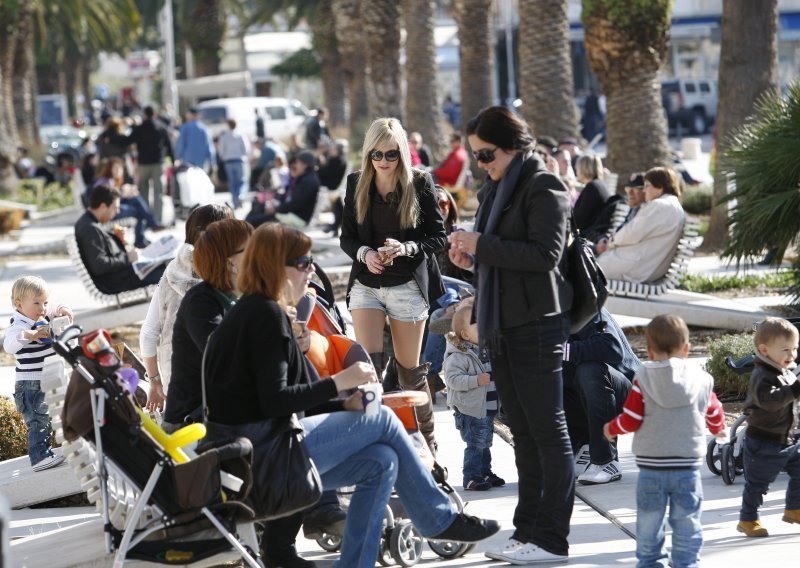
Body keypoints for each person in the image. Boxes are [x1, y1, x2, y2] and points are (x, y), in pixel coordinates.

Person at [202, 222, 500, 568]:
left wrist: (343, 403)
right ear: (274, 267)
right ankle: (438, 519)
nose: (310, 270)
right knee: (383, 419)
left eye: (311, 261)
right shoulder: (263, 314)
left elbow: (270, 399)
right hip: (262, 460)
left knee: (381, 462)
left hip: (259, 455)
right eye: (302, 263)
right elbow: (274, 401)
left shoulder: (258, 311)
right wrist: (340, 382)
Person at [448, 105, 574, 564]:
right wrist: (472, 259)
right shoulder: (495, 189)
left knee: (548, 431)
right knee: (522, 430)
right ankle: (528, 530)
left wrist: (483, 246)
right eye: (476, 156)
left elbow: (546, 254)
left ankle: (552, 538)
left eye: (487, 154)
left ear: (513, 145)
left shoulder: (543, 184)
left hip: (537, 321)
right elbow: (499, 255)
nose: (481, 164)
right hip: (502, 323)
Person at [339, 117, 447, 454]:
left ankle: (426, 445)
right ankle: (373, 445)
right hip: (367, 285)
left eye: (391, 155)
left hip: (407, 286)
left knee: (410, 375)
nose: (384, 162)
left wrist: (407, 248)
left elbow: (438, 237)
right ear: (367, 155)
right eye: (376, 155)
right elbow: (347, 238)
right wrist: (365, 253)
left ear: (402, 153)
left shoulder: (420, 183)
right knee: (367, 370)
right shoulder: (356, 183)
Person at [604, 314, 726, 568]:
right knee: (687, 518)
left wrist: (611, 428)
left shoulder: (644, 378)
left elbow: (632, 418)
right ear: (686, 349)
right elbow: (714, 412)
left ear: (648, 351)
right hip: (687, 467)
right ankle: (686, 562)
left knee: (650, 519)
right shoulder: (702, 380)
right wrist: (719, 430)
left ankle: (650, 562)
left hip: (652, 468)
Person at [139, 204, 234, 412]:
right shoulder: (227, 278)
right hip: (220, 389)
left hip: (177, 386)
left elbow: (148, 334)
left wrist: (155, 381)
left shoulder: (171, 271)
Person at [735, 316, 800, 538]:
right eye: (785, 350)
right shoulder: (761, 375)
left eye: (794, 349)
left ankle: (794, 508)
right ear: (764, 350)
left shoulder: (786, 372)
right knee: (757, 484)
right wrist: (795, 390)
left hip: (785, 439)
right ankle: (748, 519)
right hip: (763, 441)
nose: (791, 355)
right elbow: (769, 401)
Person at [4, 276, 73, 472]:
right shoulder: (19, 325)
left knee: (52, 416)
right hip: (30, 384)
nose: (43, 308)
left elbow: (56, 306)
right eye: (37, 303)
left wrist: (62, 309)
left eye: (45, 302)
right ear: (19, 304)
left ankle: (59, 447)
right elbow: (8, 346)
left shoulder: (40, 314)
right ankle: (40, 457)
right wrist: (28, 335)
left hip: (47, 380)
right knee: (38, 420)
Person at [563, 308, 639, 485]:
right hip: (582, 399)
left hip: (627, 395)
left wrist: (561, 351)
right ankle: (584, 446)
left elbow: (611, 347)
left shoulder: (583, 303)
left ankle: (605, 460)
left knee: (589, 370)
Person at [443, 304, 504, 492]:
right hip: (470, 409)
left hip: (487, 407)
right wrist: (475, 380)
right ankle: (471, 477)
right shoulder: (459, 356)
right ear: (466, 335)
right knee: (475, 444)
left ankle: (485, 471)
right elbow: (452, 380)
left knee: (485, 443)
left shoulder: (486, 350)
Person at [596, 167, 685, 283]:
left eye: (647, 185)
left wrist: (610, 243)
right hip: (646, 267)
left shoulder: (660, 206)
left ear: (660, 188)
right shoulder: (671, 204)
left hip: (635, 268)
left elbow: (631, 233)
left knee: (584, 266)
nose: (644, 190)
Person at [75, 185, 166, 294]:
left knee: (165, 262)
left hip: (124, 276)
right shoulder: (89, 228)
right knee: (170, 270)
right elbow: (99, 265)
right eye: (115, 207)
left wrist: (120, 241)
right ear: (103, 206)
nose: (118, 212)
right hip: (119, 281)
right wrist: (128, 258)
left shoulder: (89, 223)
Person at [88, 156, 164, 249]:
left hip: (113, 208)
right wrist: (123, 193)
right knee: (138, 210)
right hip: (109, 212)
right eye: (115, 168)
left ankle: (148, 229)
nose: (118, 171)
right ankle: (146, 231)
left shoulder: (111, 181)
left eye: (120, 169)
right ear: (109, 169)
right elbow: (107, 200)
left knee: (136, 199)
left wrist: (126, 192)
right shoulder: (105, 181)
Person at [246, 151, 320, 228]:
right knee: (258, 209)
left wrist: (276, 209)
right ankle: (241, 230)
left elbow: (294, 204)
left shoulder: (308, 181)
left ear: (305, 165)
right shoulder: (306, 178)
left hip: (295, 217)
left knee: (253, 221)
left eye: (297, 163)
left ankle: (242, 232)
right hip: (291, 214)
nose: (295, 165)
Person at [128, 105, 174, 225]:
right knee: (158, 192)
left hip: (143, 163)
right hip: (158, 163)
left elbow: (129, 140)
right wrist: (172, 160)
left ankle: (146, 219)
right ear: (154, 114)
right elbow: (168, 145)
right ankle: (158, 219)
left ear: (144, 114)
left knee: (143, 191)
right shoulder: (161, 127)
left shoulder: (139, 128)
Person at [573, 153, 614, 242]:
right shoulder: (600, 184)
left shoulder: (592, 187)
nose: (576, 170)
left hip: (590, 238)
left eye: (577, 167)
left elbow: (579, 219)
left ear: (582, 168)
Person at [317, 139, 349, 237]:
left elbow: (328, 173)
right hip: (331, 186)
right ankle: (335, 226)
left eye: (333, 147)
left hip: (334, 187)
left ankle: (335, 226)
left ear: (338, 149)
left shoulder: (339, 160)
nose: (331, 149)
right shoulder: (334, 159)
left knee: (338, 206)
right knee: (338, 207)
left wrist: (319, 169)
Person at [217, 118, 251, 209]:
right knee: (242, 181)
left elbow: (221, 150)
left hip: (228, 162)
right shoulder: (240, 135)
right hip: (239, 160)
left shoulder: (224, 136)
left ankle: (235, 202)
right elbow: (246, 148)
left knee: (232, 182)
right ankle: (241, 195)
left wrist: (223, 157)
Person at [175, 107, 215, 172]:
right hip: (202, 162)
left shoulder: (185, 127)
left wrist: (177, 157)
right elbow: (209, 147)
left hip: (187, 162)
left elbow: (181, 144)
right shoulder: (204, 128)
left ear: (190, 115)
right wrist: (212, 161)